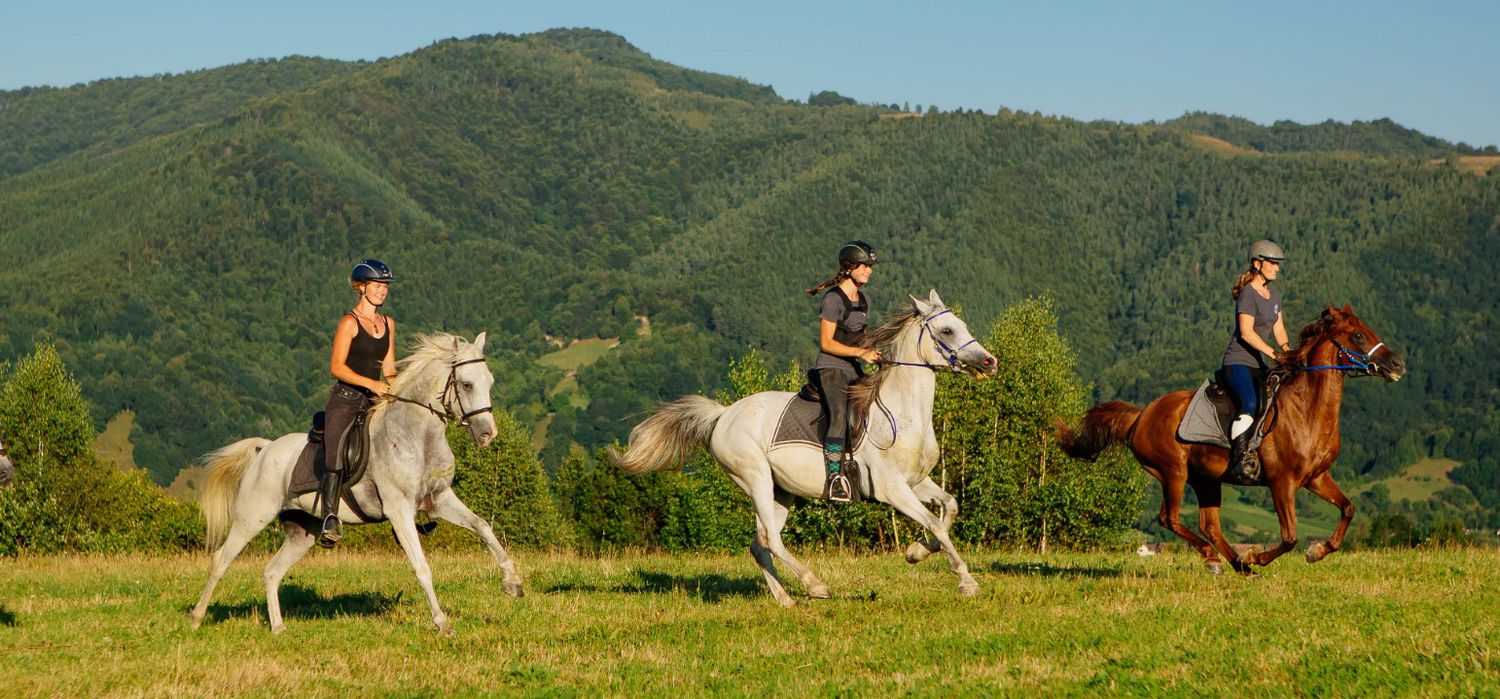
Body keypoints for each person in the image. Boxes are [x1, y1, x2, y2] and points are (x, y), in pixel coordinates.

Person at [318, 259, 398, 547]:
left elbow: (389, 368)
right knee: (336, 448)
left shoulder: (388, 323)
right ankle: (329, 517)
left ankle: (407, 511)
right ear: (362, 288)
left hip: (375, 399)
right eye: (378, 286)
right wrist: (371, 384)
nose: (382, 291)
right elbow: (337, 367)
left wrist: (395, 387)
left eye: (385, 286)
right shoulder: (349, 323)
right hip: (346, 398)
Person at [805, 241, 881, 502]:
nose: (869, 270)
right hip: (831, 368)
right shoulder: (832, 299)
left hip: (853, 368)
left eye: (870, 266)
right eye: (864, 266)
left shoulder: (864, 300)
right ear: (849, 267)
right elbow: (827, 343)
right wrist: (861, 354)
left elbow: (862, 339)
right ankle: (834, 478)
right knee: (839, 415)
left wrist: (877, 353)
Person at [1220, 239, 1291, 484]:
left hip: (1257, 363)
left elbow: (1279, 328)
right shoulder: (1248, 295)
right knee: (1249, 403)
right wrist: (1273, 353)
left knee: (1274, 401)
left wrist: (1288, 351)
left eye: (1278, 264)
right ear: (1257, 263)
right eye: (1272, 263)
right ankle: (1238, 460)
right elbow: (1246, 333)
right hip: (1237, 362)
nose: (1277, 268)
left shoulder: (1274, 295)